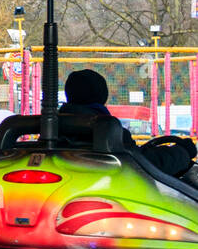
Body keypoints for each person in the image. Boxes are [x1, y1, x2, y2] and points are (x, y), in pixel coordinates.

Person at [60, 68, 195, 177]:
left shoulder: (56, 127)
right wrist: (182, 152)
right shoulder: (107, 129)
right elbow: (144, 165)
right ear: (102, 95)